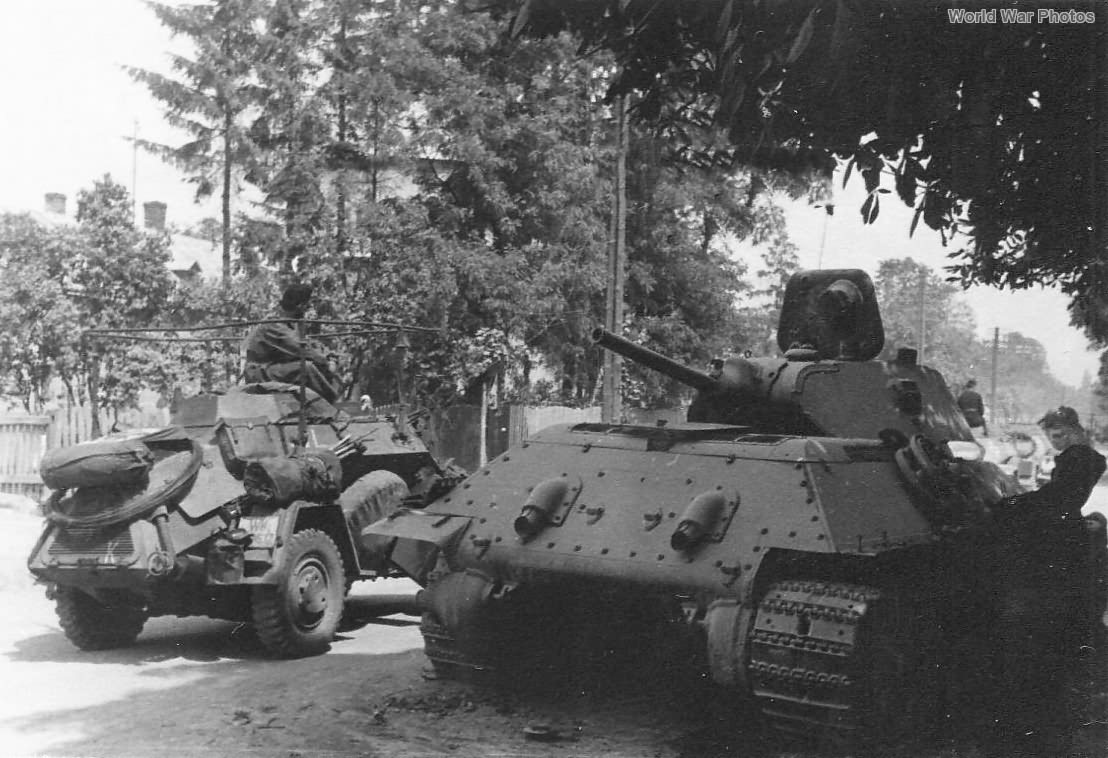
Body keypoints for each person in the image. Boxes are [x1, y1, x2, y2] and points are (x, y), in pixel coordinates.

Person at [987, 406, 1106, 750]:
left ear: (1069, 430)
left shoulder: (1078, 456)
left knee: (1039, 629)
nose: (1052, 443)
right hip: (1065, 537)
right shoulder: (1086, 456)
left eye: (1055, 435)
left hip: (1058, 541)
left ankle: (1032, 723)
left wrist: (1011, 504)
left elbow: (1059, 497)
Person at [242, 283, 340, 404]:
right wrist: (328, 361)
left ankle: (325, 403)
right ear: (300, 305)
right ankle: (333, 403)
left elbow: (310, 346)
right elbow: (301, 349)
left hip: (275, 369)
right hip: (260, 373)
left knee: (315, 365)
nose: (308, 308)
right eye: (307, 305)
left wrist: (328, 358)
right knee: (306, 367)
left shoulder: (291, 324)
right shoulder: (275, 325)